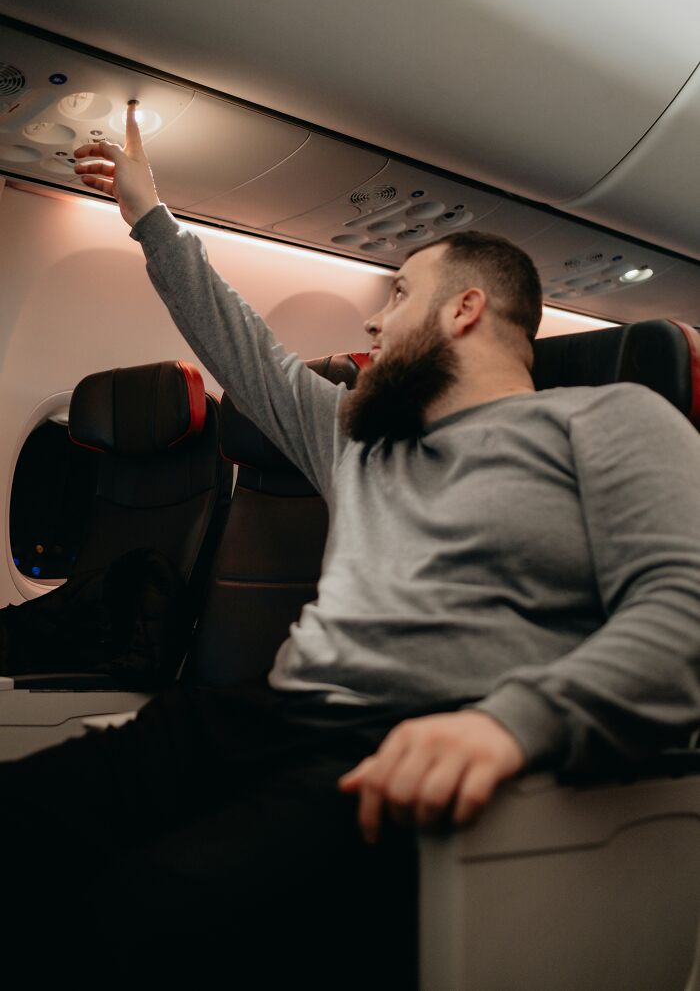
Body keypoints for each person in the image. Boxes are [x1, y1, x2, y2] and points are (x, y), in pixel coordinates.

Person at [1, 101, 699, 985]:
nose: (374, 324)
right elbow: (241, 346)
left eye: (399, 294)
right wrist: (147, 216)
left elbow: (682, 610)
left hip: (407, 738)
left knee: (126, 924)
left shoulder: (611, 420)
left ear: (466, 309)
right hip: (259, 714)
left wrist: (512, 723)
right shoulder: (358, 437)